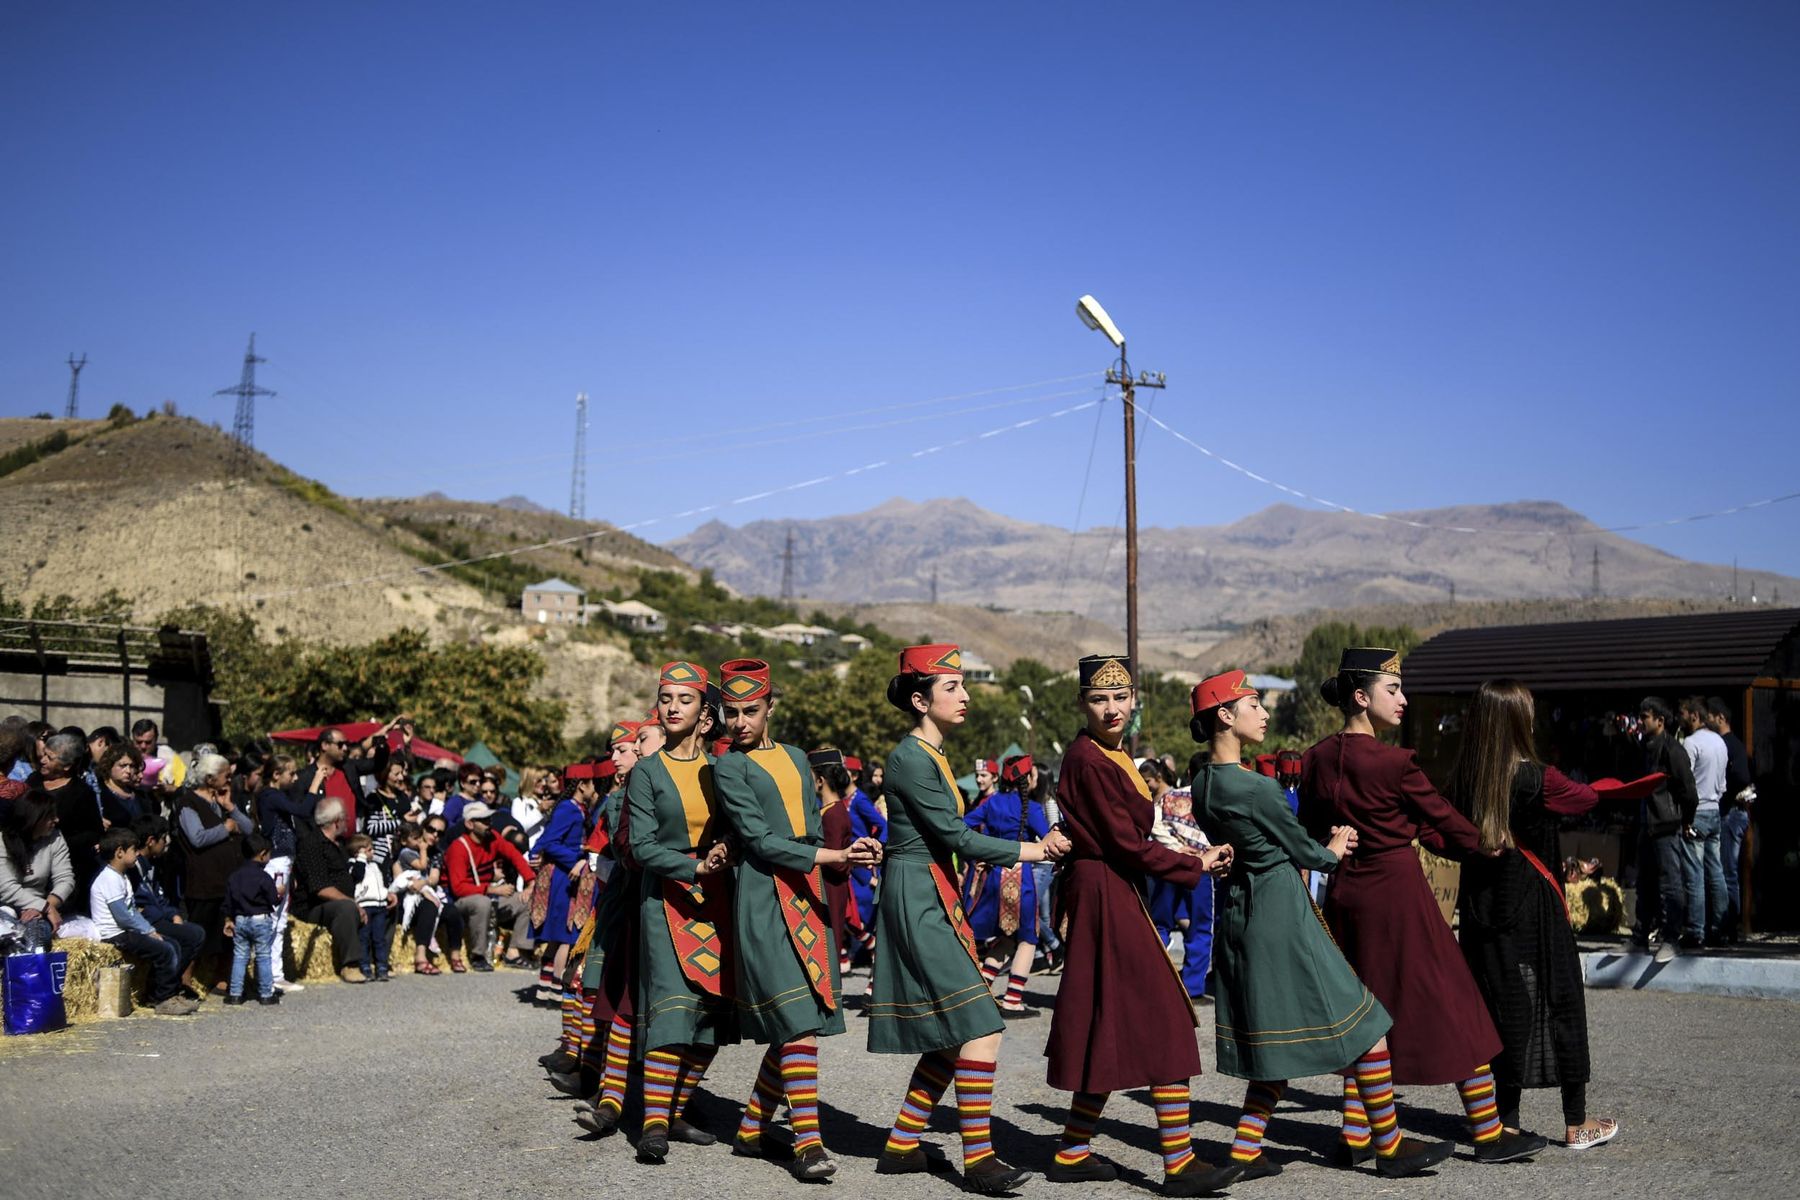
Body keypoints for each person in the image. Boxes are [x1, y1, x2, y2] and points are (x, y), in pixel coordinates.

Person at [1190, 669, 1449, 1181]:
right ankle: (1390, 1146)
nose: (1264, 713)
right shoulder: (1257, 788)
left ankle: (1245, 1149)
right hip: (1282, 913)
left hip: (1243, 910)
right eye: (1255, 704)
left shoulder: (1204, 784)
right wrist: (1335, 847)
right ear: (1226, 715)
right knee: (1368, 1023)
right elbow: (1308, 853)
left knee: (1278, 1042)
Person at [1300, 648, 1545, 1164]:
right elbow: (1442, 820)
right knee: (1456, 1003)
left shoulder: (1317, 757)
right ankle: (1488, 1131)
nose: (1404, 700)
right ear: (1362, 698)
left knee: (1363, 1014)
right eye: (1394, 690)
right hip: (1397, 894)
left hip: (1346, 893)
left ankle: (1355, 1133)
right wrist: (1485, 842)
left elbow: (1313, 829)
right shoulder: (1396, 762)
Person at [868, 644, 1067, 1195]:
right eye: (952, 688)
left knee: (957, 1027)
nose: (966, 695)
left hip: (932, 891)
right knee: (980, 1022)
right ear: (919, 699)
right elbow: (956, 837)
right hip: (916, 894)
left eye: (963, 686)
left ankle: (903, 1145)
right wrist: (1037, 851)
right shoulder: (910, 758)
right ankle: (979, 1160)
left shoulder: (931, 756)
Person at [1042, 655, 1240, 1196]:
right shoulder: (1087, 758)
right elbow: (1124, 844)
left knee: (1108, 1024)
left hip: (1114, 888)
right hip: (1106, 888)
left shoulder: (1114, 753)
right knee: (1165, 1016)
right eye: (1100, 699)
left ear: (1135, 700)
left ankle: (1072, 1149)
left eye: (1121, 697)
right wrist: (1193, 864)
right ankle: (1179, 1163)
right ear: (1082, 704)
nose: (1112, 709)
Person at [712, 659, 883, 1180]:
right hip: (763, 897)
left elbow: (809, 829)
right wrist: (835, 858)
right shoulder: (728, 766)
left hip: (806, 897)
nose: (740, 722)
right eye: (732, 712)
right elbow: (760, 840)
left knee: (799, 1020)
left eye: (751, 711)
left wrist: (848, 849)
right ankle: (808, 1144)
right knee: (797, 1022)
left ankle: (750, 1129)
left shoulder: (792, 757)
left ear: (771, 708)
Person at [1446, 680, 1620, 1151]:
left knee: (1501, 1010)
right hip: (1536, 907)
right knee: (1562, 1002)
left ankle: (1507, 1119)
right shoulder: (1537, 779)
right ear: (1518, 722)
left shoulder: (1464, 780)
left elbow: (1434, 831)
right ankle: (1575, 1122)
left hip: (1482, 910)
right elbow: (1586, 799)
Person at [627, 662, 740, 1164]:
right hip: (665, 902)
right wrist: (697, 865)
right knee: (670, 1012)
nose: (672, 707)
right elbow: (642, 847)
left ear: (705, 714)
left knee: (713, 1016)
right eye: (666, 698)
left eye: (684, 700)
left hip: (718, 905)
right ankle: (652, 1124)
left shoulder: (723, 770)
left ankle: (675, 1109)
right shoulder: (647, 772)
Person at [565, 719, 652, 1136]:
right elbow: (614, 853)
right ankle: (602, 1086)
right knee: (610, 994)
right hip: (624, 900)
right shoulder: (619, 798)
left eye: (626, 747)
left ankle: (670, 1108)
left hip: (654, 901)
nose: (614, 756)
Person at [961, 754, 1049, 1014]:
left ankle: (983, 991)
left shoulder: (991, 803)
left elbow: (963, 827)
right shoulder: (1030, 808)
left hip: (993, 877)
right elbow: (1048, 840)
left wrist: (980, 855)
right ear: (1027, 779)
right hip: (1022, 879)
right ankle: (1012, 999)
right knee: (1027, 939)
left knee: (1005, 938)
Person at [90, 828, 199, 1016]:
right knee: (165, 950)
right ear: (120, 852)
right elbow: (122, 915)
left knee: (172, 943)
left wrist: (147, 929)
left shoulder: (121, 877)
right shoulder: (109, 879)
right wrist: (148, 930)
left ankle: (169, 992)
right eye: (134, 850)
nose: (138, 853)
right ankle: (162, 999)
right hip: (116, 934)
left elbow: (132, 910)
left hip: (127, 930)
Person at [176, 752, 256, 992]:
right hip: (204, 880)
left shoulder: (221, 802)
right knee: (200, 930)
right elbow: (197, 837)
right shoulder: (188, 803)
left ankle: (222, 977)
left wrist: (230, 807)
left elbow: (249, 829)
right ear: (210, 778)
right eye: (225, 776)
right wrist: (226, 828)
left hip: (227, 880)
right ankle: (185, 978)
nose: (229, 781)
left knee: (227, 933)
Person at [1142, 757, 1214, 1002]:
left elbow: (1153, 824)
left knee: (1160, 923)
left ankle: (1152, 979)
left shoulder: (1169, 798)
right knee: (1200, 926)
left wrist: (1174, 848)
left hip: (1169, 866)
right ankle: (1192, 987)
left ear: (1189, 772)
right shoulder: (1215, 798)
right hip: (1202, 868)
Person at [1630, 697, 1697, 962]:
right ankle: (1640, 937)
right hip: (1647, 824)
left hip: (1666, 825)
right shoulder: (1643, 748)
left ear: (1660, 720)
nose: (1641, 721)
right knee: (1644, 883)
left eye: (1645, 717)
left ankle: (1671, 938)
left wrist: (1686, 819)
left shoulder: (1673, 750)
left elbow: (1688, 790)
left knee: (1671, 883)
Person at [528, 763, 597, 1005]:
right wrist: (580, 860)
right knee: (565, 935)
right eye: (592, 784)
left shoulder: (576, 808)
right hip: (564, 877)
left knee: (559, 936)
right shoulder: (569, 809)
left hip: (565, 873)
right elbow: (552, 843)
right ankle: (556, 988)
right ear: (581, 785)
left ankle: (544, 988)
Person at [446, 801, 536, 971]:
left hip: (488, 896)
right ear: (469, 824)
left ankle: (514, 952)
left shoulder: (493, 837)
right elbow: (458, 888)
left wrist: (530, 882)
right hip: (465, 901)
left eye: (489, 819)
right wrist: (491, 889)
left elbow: (514, 855)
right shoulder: (459, 848)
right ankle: (477, 955)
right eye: (483, 820)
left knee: (527, 899)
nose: (489, 824)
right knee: (482, 902)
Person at [292, 797, 368, 984]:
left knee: (380, 906)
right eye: (345, 818)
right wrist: (351, 902)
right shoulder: (312, 845)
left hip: (341, 901)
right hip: (315, 907)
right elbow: (320, 888)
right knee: (346, 909)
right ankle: (350, 965)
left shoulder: (339, 845)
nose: (347, 822)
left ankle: (375, 961)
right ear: (336, 822)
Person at [129, 814, 205, 997]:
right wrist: (161, 917)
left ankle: (173, 982)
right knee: (191, 936)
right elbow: (139, 903)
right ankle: (161, 989)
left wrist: (173, 914)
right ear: (150, 841)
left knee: (196, 932)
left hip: (157, 915)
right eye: (163, 839)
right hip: (147, 920)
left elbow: (158, 896)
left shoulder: (152, 865)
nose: (166, 843)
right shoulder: (133, 867)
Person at [32, 730, 104, 912]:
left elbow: (94, 832)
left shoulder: (81, 793)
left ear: (67, 766)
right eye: (44, 754)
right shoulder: (33, 781)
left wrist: (60, 843)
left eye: (50, 757)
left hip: (64, 869)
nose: (43, 760)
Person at [1676, 697, 1728, 949]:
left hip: (1696, 811)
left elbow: (1687, 784)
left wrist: (1685, 816)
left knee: (1694, 874)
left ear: (1694, 715)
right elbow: (1723, 784)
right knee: (1716, 872)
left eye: (1683, 714)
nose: (1680, 718)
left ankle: (1695, 930)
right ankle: (1719, 928)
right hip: (1715, 810)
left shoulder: (1691, 743)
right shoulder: (1719, 741)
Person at [255, 754, 309, 994]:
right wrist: (315, 785)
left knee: (280, 919)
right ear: (277, 775)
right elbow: (303, 810)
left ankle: (275, 973)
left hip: (284, 861)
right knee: (273, 918)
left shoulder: (276, 796)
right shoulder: (271, 795)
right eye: (292, 773)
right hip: (276, 862)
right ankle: (270, 974)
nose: (295, 778)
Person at [1706, 697, 1754, 942]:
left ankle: (1730, 925)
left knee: (1727, 871)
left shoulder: (1728, 745)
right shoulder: (1731, 744)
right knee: (1725, 870)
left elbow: (1742, 776)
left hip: (1731, 813)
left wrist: (1723, 788)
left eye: (1710, 717)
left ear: (1721, 718)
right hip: (1732, 813)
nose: (1707, 721)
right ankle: (1727, 924)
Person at [0, 789, 73, 946]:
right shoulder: (2, 840)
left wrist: (46, 906)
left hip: (37, 910)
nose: (57, 820)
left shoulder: (55, 838)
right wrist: (44, 907)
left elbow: (65, 878)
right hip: (5, 906)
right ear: (34, 818)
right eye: (50, 816)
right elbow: (5, 887)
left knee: (38, 939)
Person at [809, 748, 858, 972]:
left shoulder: (834, 814)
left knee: (829, 943)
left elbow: (838, 860)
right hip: (829, 885)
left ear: (820, 780)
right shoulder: (830, 810)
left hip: (829, 887)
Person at [222, 833, 282, 1006]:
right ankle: (265, 994)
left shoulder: (234, 876)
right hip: (260, 919)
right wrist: (280, 892)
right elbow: (273, 899)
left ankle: (235, 993)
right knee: (263, 955)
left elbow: (228, 902)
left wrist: (228, 919)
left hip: (240, 920)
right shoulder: (264, 877)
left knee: (240, 956)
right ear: (262, 854)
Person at [846, 756, 887, 967]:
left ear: (853, 776)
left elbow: (882, 825)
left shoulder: (859, 799)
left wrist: (877, 847)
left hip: (861, 865)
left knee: (858, 911)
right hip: (844, 863)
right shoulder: (839, 798)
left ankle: (871, 950)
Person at [345, 833, 394, 982]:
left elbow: (380, 885)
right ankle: (364, 967)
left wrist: (387, 894)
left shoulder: (375, 866)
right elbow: (357, 877)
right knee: (364, 938)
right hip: (365, 905)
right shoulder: (354, 865)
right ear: (358, 852)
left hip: (379, 906)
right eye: (369, 850)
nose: (372, 852)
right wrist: (360, 859)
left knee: (379, 938)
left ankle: (382, 967)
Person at [96, 741, 152, 830]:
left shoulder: (140, 794)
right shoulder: (98, 794)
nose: (128, 771)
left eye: (132, 766)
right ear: (109, 766)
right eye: (123, 766)